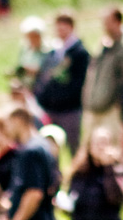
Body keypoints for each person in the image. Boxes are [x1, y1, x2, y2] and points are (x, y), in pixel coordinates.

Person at [34, 12, 89, 155]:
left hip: (70, 109)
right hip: (53, 108)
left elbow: (79, 82)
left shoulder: (79, 53)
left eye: (63, 28)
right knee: (52, 149)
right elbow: (46, 78)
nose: (60, 32)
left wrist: (63, 97)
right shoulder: (54, 51)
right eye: (58, 28)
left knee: (73, 146)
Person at [82, 7, 123, 142]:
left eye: (108, 21)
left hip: (111, 109)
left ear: (118, 22)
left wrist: (117, 100)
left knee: (111, 145)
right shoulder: (102, 45)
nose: (104, 25)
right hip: (93, 106)